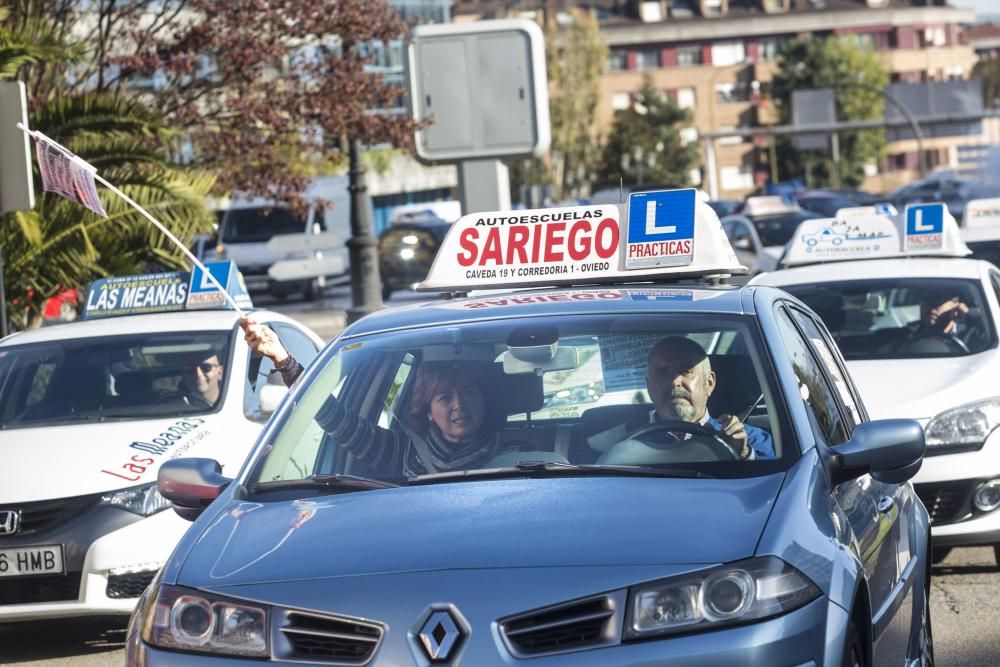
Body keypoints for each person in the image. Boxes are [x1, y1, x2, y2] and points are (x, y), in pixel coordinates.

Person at [239, 318, 517, 476]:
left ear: (482, 397)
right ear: (428, 411)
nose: (460, 405)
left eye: (468, 391)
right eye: (445, 398)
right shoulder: (401, 451)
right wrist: (282, 359)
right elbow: (335, 419)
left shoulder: (517, 454)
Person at [643, 336, 774, 460]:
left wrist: (743, 454)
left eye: (686, 370)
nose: (674, 381)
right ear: (649, 387)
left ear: (709, 383)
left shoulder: (750, 438)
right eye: (661, 372)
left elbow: (774, 478)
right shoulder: (626, 442)